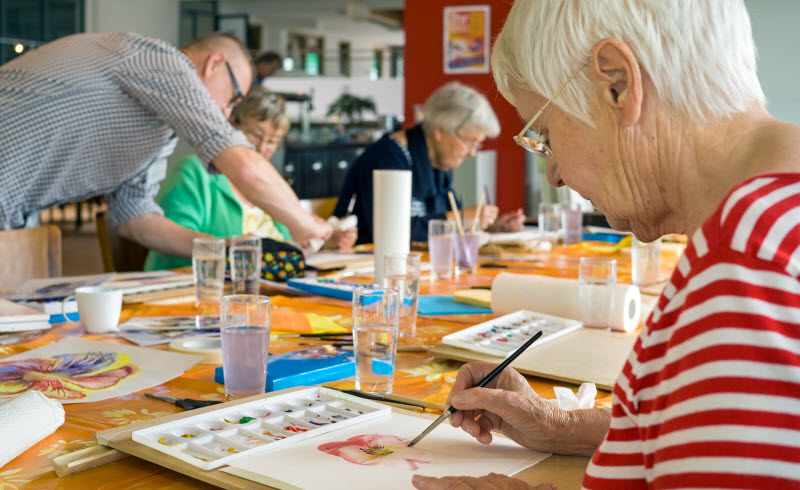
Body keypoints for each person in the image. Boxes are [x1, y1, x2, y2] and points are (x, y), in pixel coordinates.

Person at [413, 1, 800, 489]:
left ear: (617, 84)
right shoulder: (769, 227)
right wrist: (566, 426)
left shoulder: (743, 274)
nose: (553, 174)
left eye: (546, 135)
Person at [0, 32, 330, 257]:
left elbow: (136, 218)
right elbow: (244, 166)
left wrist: (225, 248)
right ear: (214, 63)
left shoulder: (158, 129)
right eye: (231, 99)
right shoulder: (163, 62)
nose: (225, 113)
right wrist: (304, 223)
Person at [145, 87, 357, 270]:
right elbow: (169, 247)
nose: (262, 148)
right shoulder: (195, 172)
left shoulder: (268, 185)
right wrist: (234, 247)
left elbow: (286, 245)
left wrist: (324, 245)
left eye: (272, 141)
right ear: (231, 124)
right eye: (254, 134)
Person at [332, 81, 526, 245]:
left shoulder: (438, 162)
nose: (472, 153)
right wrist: (458, 219)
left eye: (478, 144)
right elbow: (390, 233)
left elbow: (443, 216)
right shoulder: (388, 159)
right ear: (440, 131)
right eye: (469, 142)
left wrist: (489, 225)